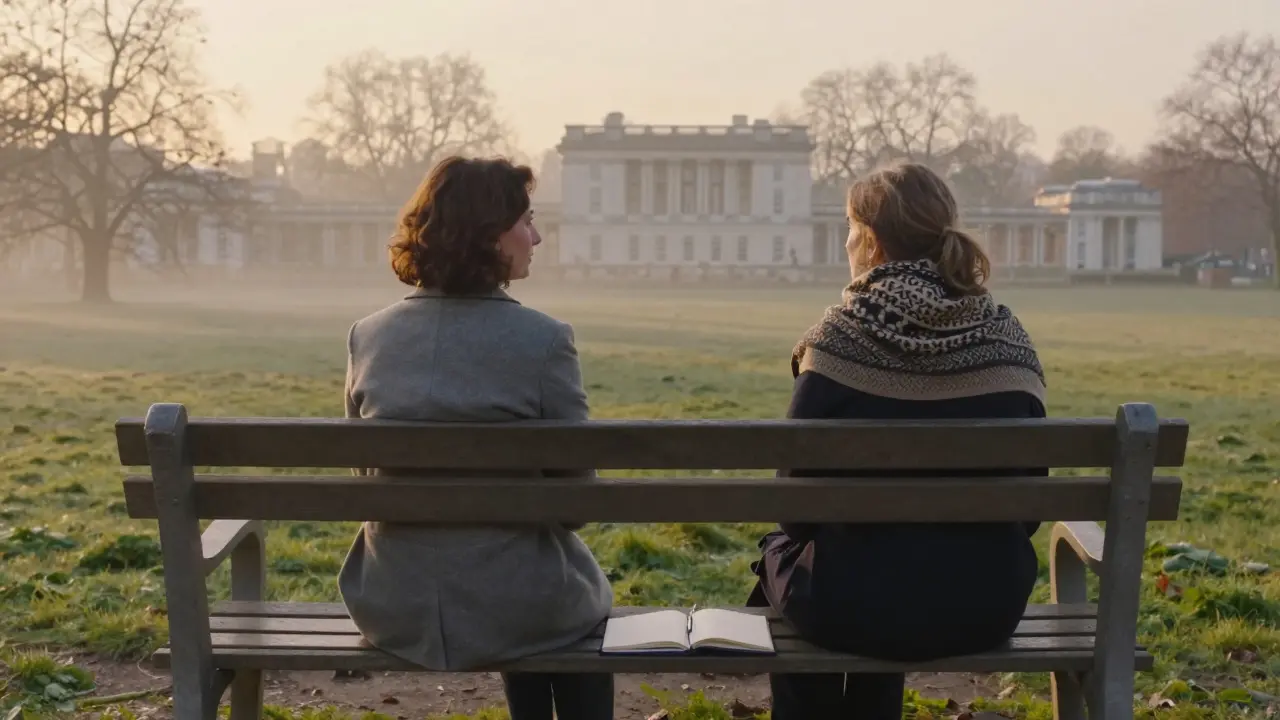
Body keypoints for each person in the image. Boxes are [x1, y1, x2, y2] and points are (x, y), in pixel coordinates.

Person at [748, 161, 1047, 720]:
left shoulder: (836, 341)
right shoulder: (1008, 340)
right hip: (982, 605)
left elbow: (794, 510)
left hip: (849, 607)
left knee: (785, 559)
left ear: (870, 240)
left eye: (848, 227)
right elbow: (1029, 507)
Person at [339, 156, 614, 720]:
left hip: (396, 605)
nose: (536, 236)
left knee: (526, 583)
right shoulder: (544, 341)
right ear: (489, 234)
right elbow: (576, 501)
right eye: (527, 221)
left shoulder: (367, 337)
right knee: (555, 599)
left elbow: (366, 480)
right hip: (519, 605)